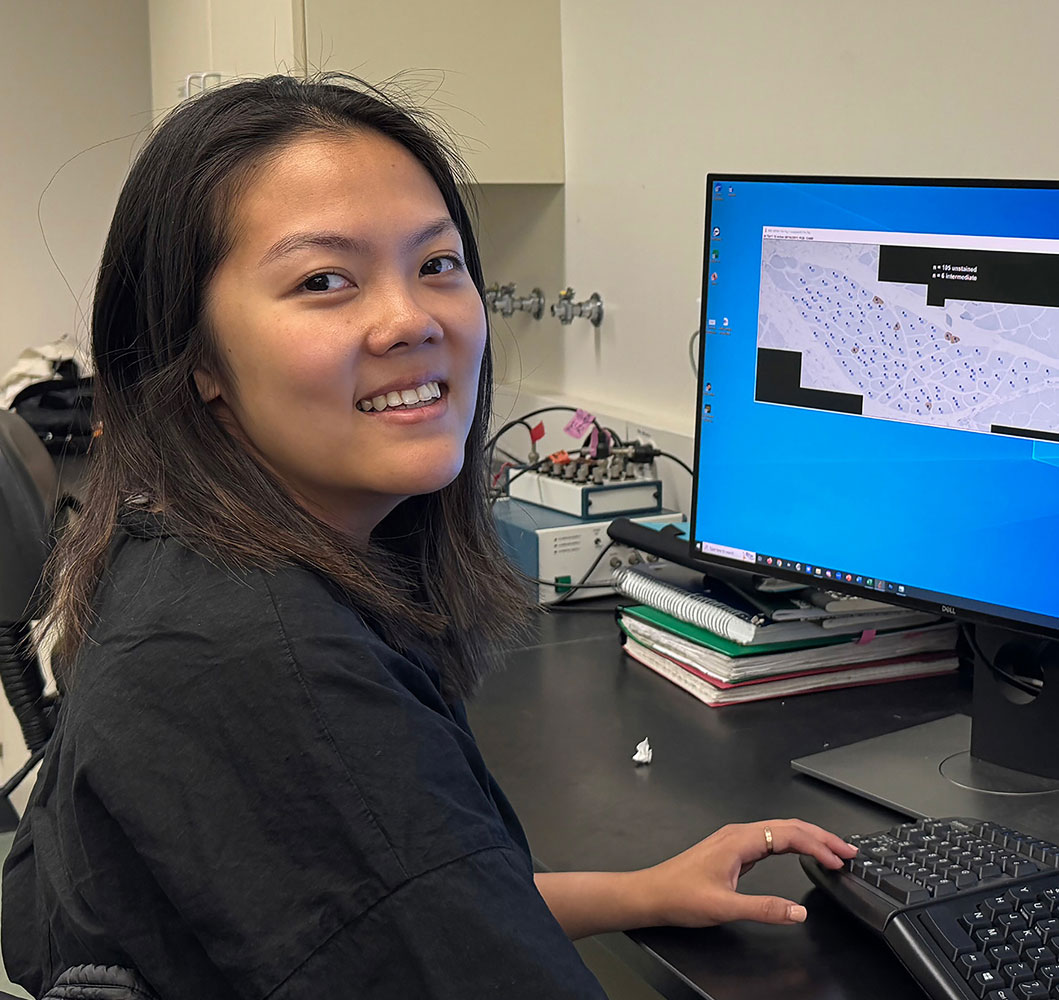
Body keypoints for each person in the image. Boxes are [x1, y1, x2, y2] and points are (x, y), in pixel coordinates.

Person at [1, 75, 856, 999]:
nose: (411, 318)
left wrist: (632, 891)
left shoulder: (182, 558)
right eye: (323, 280)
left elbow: (384, 906)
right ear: (196, 356)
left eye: (437, 264)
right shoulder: (261, 664)